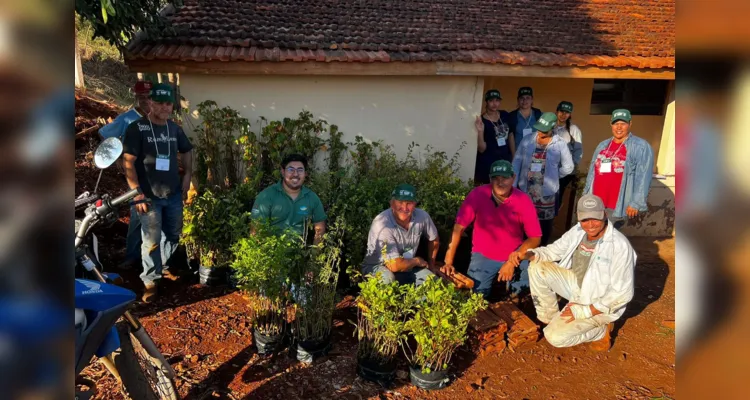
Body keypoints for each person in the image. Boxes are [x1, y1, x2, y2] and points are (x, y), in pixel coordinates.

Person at [517, 194, 636, 351]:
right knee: (537, 266)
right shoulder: (578, 231)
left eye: (595, 218)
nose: (590, 224)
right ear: (579, 219)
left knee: (555, 338)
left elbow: (623, 294)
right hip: (577, 285)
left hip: (597, 301)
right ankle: (549, 319)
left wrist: (584, 311)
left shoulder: (619, 246)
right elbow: (555, 250)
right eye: (585, 219)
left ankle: (600, 331)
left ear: (605, 215)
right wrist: (530, 254)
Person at [123, 83, 194, 302]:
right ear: (150, 103)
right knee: (151, 239)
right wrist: (137, 193)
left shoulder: (174, 129)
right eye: (160, 103)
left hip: (172, 194)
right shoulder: (137, 128)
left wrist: (188, 175)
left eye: (168, 103)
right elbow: (128, 162)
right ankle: (150, 280)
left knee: (173, 233)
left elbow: (187, 149)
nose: (165, 108)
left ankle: (162, 266)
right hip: (149, 196)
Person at [442, 160, 542, 298]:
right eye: (496, 178)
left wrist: (513, 260)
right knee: (474, 298)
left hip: (515, 255)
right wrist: (448, 262)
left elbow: (535, 237)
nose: (500, 182)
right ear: (490, 179)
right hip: (483, 255)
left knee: (521, 296)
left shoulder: (523, 200)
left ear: (513, 178)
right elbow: (458, 228)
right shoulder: (478, 194)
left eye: (505, 178)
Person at [99, 81, 153, 269]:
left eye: (149, 96)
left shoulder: (158, 117)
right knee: (138, 212)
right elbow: (105, 134)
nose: (146, 101)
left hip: (157, 175)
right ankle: (132, 256)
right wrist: (119, 157)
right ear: (137, 97)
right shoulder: (127, 119)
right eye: (143, 97)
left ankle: (156, 259)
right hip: (135, 174)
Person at [583, 109, 655, 229]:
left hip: (616, 204)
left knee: (609, 238)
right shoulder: (603, 145)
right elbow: (592, 171)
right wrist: (586, 194)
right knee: (591, 235)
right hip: (595, 202)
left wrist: (636, 202)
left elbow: (643, 176)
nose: (619, 127)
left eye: (623, 123)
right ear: (611, 124)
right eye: (616, 124)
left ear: (630, 124)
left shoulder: (640, 147)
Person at [361, 184, 442, 286]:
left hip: (407, 265)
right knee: (387, 280)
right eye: (400, 202)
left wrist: (431, 264)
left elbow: (434, 240)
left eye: (409, 203)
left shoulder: (422, 217)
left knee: (431, 281)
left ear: (415, 204)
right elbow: (394, 265)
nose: (404, 208)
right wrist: (417, 261)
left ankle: (415, 302)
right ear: (392, 204)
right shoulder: (382, 223)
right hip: (378, 266)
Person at [513, 112, 574, 245]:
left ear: (553, 127)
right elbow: (516, 162)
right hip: (526, 191)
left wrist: (554, 176)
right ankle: (521, 255)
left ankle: (540, 255)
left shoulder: (560, 144)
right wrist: (514, 185)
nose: (541, 132)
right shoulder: (527, 140)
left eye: (545, 130)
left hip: (547, 194)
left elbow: (569, 167)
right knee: (523, 224)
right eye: (539, 128)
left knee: (543, 228)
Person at [251, 154, 327, 243]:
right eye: (291, 169)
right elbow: (256, 230)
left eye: (300, 170)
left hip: (300, 252)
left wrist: (315, 254)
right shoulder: (267, 196)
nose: (295, 174)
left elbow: (320, 228)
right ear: (283, 172)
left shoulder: (312, 197)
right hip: (272, 252)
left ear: (305, 174)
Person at [474, 89, 514, 184]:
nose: (494, 103)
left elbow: (511, 135)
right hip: (488, 162)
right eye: (491, 101)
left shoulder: (505, 115)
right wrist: (480, 131)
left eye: (497, 100)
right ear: (486, 102)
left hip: (505, 159)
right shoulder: (482, 120)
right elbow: (481, 149)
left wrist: (514, 156)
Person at [553, 101, 584, 213]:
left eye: (567, 112)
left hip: (565, 171)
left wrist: (572, 165)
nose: (563, 115)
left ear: (570, 114)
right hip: (550, 168)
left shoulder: (573, 129)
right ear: (556, 111)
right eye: (561, 111)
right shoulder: (550, 127)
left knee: (558, 194)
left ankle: (554, 216)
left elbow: (578, 150)